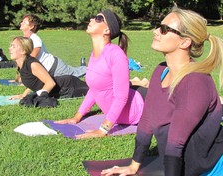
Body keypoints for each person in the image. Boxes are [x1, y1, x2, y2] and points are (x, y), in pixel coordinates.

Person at [101, 7, 223, 176]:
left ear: (185, 42)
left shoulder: (195, 81)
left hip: (215, 163)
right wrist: (134, 165)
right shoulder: (160, 71)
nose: (156, 31)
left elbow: (177, 140)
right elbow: (147, 121)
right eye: (159, 26)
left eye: (165, 29)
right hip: (195, 159)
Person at [56, 10, 147, 139]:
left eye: (99, 18)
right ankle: (139, 81)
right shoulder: (94, 55)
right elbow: (94, 89)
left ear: (107, 30)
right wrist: (76, 117)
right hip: (128, 106)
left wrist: (103, 129)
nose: (92, 19)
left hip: (143, 107)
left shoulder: (116, 54)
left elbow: (121, 97)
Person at [8, 36, 88, 100]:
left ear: (23, 51)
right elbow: (33, 82)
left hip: (69, 87)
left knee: (95, 91)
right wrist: (23, 95)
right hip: (63, 88)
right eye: (11, 46)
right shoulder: (22, 65)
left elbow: (50, 83)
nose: (9, 48)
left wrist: (40, 97)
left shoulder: (32, 64)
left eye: (13, 46)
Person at [20, 14, 86, 78]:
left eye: (24, 22)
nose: (21, 23)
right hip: (50, 69)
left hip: (55, 67)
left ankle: (91, 69)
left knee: (76, 73)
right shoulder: (25, 39)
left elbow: (32, 57)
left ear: (31, 26)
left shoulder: (35, 39)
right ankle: (84, 67)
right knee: (75, 71)